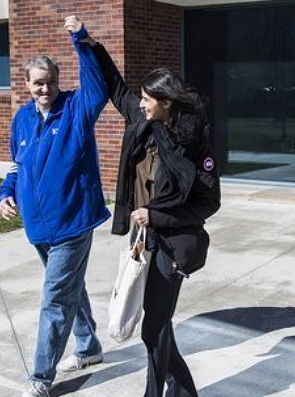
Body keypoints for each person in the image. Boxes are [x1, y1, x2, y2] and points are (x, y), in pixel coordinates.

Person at [85, 36, 221, 396]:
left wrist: (157, 217)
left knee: (153, 327)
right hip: (143, 238)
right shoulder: (144, 122)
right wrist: (90, 43)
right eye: (141, 99)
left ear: (165, 103)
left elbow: (209, 203)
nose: (140, 103)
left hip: (172, 243)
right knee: (159, 325)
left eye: (147, 99)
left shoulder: (194, 145)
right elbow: (116, 86)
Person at [0, 16, 108, 397]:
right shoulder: (23, 118)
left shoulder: (77, 108)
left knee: (54, 299)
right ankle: (89, 347)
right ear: (27, 85)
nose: (46, 89)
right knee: (69, 288)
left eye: (51, 81)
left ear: (59, 81)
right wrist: (4, 192)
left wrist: (79, 38)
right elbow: (16, 164)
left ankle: (41, 378)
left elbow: (98, 82)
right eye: (38, 83)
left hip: (74, 222)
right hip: (38, 227)